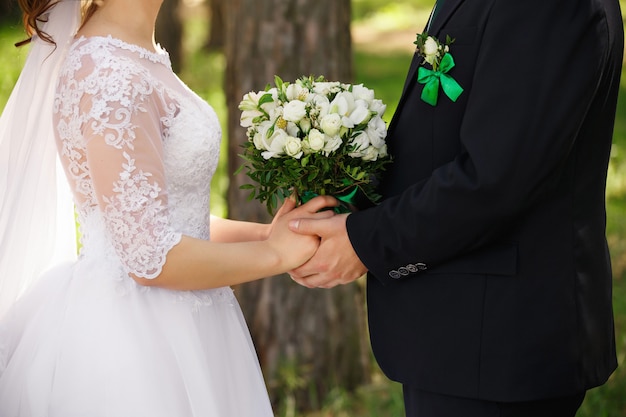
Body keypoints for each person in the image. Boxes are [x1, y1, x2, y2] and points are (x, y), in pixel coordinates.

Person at [289, 0, 624, 416]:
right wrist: (351, 195)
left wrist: (365, 241)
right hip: (463, 339)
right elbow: (448, 140)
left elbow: (495, 181)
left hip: (497, 346)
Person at [0, 0, 335, 415]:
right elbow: (150, 258)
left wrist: (270, 235)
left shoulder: (137, 52)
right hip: (136, 344)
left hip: (188, 318)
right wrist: (274, 255)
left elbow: (168, 219)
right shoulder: (109, 74)